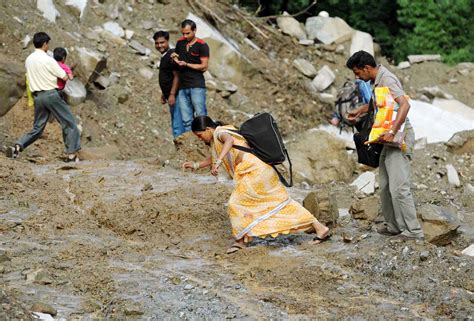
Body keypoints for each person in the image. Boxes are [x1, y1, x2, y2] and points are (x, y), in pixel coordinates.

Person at [182, 116, 330, 253]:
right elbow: (213, 158)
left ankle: (240, 241)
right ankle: (320, 228)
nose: (201, 139)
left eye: (200, 135)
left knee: (235, 204)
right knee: (279, 202)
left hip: (254, 172)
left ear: (208, 129)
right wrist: (195, 165)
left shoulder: (220, 132)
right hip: (259, 171)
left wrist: (220, 161)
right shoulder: (222, 133)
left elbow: (229, 142)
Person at [346, 51, 424, 240]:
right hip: (386, 138)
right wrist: (360, 110)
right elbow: (378, 105)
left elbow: (404, 105)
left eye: (357, 73)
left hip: (398, 137)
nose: (357, 77)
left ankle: (413, 231)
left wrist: (391, 131)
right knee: (385, 185)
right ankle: (394, 227)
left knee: (399, 187)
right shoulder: (376, 81)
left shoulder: (387, 79)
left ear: (366, 68)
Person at [6, 32, 81, 162]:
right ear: (45, 44)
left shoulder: (29, 59)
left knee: (38, 128)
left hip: (38, 97)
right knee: (69, 123)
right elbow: (64, 76)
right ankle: (71, 154)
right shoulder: (48, 60)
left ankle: (18, 146)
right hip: (51, 94)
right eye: (48, 43)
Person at [172, 19, 210, 133]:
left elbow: (204, 66)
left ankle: (206, 139)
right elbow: (178, 57)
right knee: (186, 119)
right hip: (183, 86)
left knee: (200, 115)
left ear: (194, 30)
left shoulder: (202, 45)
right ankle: (192, 143)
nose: (185, 36)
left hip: (197, 85)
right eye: (183, 33)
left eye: (188, 33)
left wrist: (187, 64)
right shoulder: (180, 42)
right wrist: (175, 58)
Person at [153, 30, 185, 140]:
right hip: (171, 95)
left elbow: (177, 75)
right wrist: (164, 93)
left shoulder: (171, 55)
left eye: (162, 42)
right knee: (177, 123)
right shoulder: (165, 56)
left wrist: (171, 94)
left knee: (178, 125)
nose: (159, 45)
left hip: (177, 96)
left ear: (167, 41)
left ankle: (182, 151)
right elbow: (168, 77)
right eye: (157, 43)